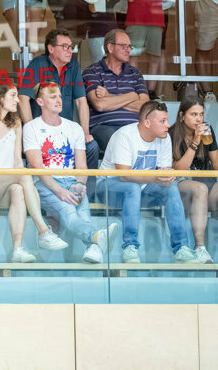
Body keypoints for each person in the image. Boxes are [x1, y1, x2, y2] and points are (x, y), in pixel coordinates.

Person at [0, 84, 68, 263]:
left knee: (18, 189)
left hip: (8, 185)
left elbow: (18, 161)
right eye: (13, 95)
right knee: (23, 175)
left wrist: (21, 176)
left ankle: (17, 249)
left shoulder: (16, 123)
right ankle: (43, 231)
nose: (18, 99)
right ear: (0, 98)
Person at [23, 82, 119, 263]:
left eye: (59, 96)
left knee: (83, 215)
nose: (58, 100)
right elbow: (37, 168)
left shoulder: (74, 127)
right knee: (69, 213)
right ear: (40, 102)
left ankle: (93, 248)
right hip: (45, 183)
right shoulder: (31, 127)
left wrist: (80, 184)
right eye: (52, 97)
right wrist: (59, 191)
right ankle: (97, 238)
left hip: (72, 181)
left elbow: (82, 166)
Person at [100, 100, 196, 264]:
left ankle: (181, 247)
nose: (168, 125)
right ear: (147, 123)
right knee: (132, 187)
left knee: (171, 188)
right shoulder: (124, 135)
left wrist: (167, 177)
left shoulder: (164, 138)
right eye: (162, 121)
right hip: (108, 186)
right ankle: (130, 247)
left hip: (143, 187)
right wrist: (155, 177)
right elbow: (123, 175)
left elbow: (163, 172)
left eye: (167, 120)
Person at [169, 98, 218, 265]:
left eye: (201, 114)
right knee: (200, 188)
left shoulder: (207, 130)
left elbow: (216, 158)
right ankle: (199, 248)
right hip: (180, 185)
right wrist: (195, 141)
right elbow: (179, 169)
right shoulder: (172, 133)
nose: (199, 119)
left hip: (204, 186)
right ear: (182, 116)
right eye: (193, 114)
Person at [18, 29, 95, 158]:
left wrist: (85, 133)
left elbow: (81, 101)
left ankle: (83, 179)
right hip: (42, 131)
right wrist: (32, 131)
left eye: (71, 47)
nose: (69, 50)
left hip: (66, 131)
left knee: (92, 147)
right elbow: (23, 99)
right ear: (51, 49)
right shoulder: (38, 64)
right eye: (65, 47)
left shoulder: (73, 65)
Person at [82, 29, 149, 169]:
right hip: (104, 127)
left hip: (135, 127)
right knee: (120, 138)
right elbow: (99, 104)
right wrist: (131, 96)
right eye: (123, 45)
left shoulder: (135, 73)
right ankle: (126, 182)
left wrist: (110, 97)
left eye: (129, 46)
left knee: (158, 133)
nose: (128, 49)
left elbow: (145, 107)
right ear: (110, 47)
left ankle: (142, 183)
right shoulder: (92, 71)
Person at [120, 0, 172, 99]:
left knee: (155, 56)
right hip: (135, 20)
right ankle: (135, 90)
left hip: (156, 20)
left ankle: (151, 92)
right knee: (133, 56)